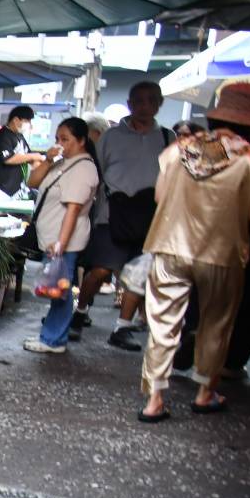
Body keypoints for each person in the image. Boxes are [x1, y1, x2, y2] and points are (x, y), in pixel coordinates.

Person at [139, 81, 250, 422]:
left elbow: (159, 196)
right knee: (216, 322)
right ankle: (205, 393)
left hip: (170, 246)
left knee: (163, 322)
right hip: (221, 252)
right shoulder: (248, 159)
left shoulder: (179, 149)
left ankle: (154, 400)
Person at [74, 81, 176, 349]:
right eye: (139, 101)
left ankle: (122, 327)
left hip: (150, 216)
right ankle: (80, 311)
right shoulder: (111, 137)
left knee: (138, 274)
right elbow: (97, 172)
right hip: (112, 214)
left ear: (159, 104)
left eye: (151, 100)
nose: (145, 106)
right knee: (100, 269)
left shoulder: (168, 139)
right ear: (130, 104)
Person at [22, 117, 101, 354]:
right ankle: (53, 335)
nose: (60, 143)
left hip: (63, 241)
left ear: (82, 140)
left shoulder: (83, 168)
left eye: (65, 139)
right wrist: (48, 159)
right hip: (52, 238)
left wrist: (60, 244)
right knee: (58, 290)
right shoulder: (63, 163)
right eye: (57, 138)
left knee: (61, 291)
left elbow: (73, 210)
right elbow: (32, 181)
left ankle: (53, 340)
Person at [0, 105, 41, 195]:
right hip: (1, 189)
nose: (29, 124)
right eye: (27, 121)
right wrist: (33, 156)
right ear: (16, 120)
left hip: (17, 189)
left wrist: (37, 161)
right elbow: (8, 159)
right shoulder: (2, 136)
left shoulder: (20, 136)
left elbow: (28, 155)